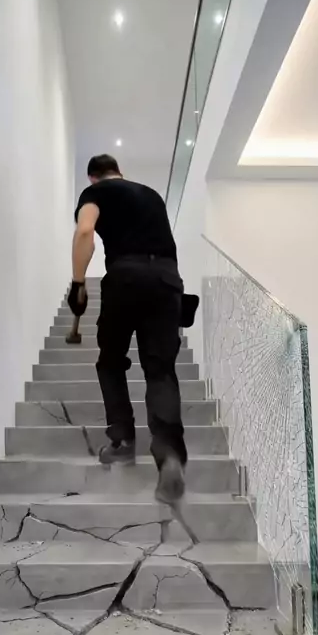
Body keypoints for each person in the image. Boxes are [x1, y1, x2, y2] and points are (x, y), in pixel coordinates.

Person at [68, 154, 187, 505]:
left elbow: (85, 231)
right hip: (167, 281)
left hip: (126, 279)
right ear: (120, 172)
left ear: (93, 178)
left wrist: (79, 283)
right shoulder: (151, 195)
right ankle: (170, 457)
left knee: (110, 360)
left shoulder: (95, 193)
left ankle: (122, 441)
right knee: (160, 369)